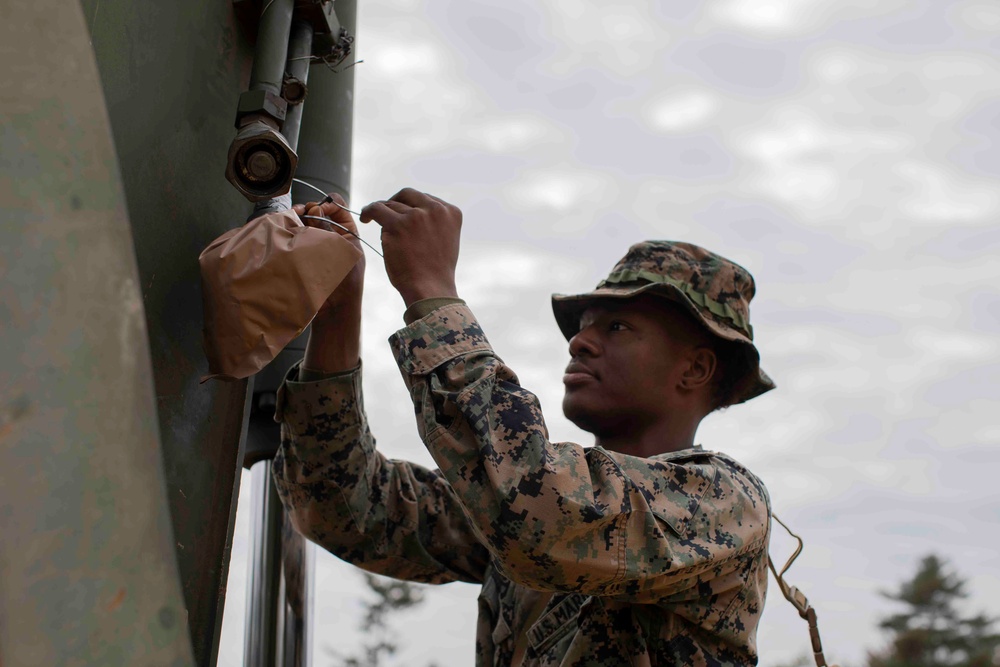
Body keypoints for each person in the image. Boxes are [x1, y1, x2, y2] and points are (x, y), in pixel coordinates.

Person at [272, 188, 777, 666]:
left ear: (695, 370)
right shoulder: (549, 499)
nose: (579, 343)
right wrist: (338, 314)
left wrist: (431, 292)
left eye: (618, 327)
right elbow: (341, 506)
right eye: (581, 329)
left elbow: (531, 507)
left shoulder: (725, 504)